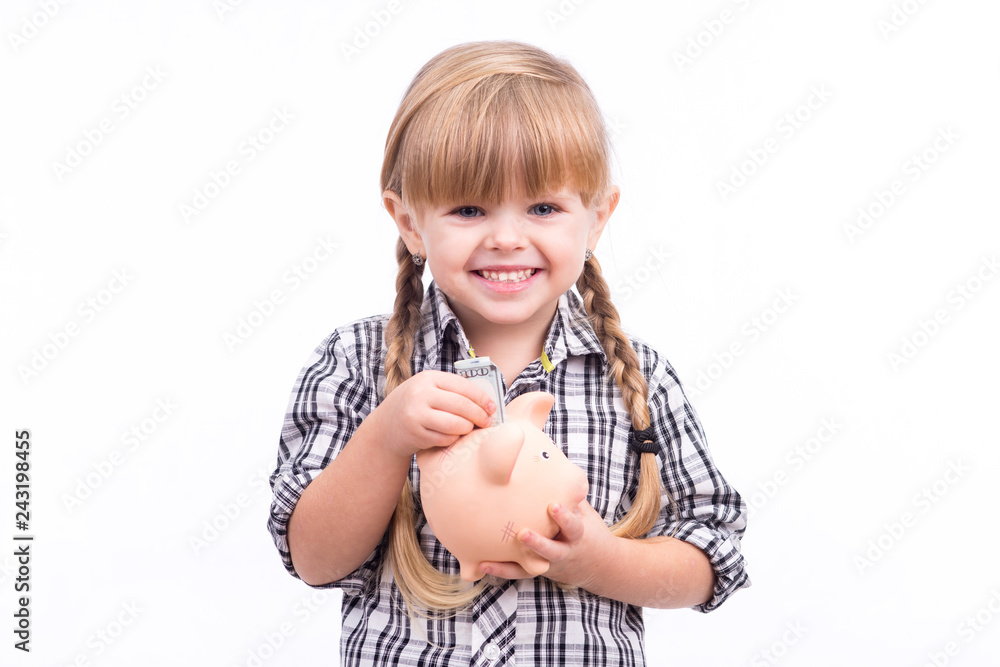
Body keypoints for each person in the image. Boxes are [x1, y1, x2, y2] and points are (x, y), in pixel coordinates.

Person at [268, 40, 749, 666]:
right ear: (409, 222)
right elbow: (313, 559)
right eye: (469, 209)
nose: (505, 237)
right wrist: (386, 437)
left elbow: (712, 557)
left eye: (543, 207)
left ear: (597, 217)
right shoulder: (356, 360)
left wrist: (601, 562)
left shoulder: (638, 377)